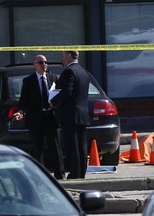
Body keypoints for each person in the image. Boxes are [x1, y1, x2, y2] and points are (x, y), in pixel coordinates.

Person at [13, 54, 65, 180]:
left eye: (45, 62)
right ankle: (40, 176)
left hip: (51, 117)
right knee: (38, 148)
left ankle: (60, 174)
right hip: (36, 119)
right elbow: (23, 102)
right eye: (41, 63)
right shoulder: (28, 81)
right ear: (34, 65)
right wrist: (20, 112)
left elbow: (59, 97)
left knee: (55, 147)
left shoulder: (53, 78)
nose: (44, 65)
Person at [50, 51, 90, 179]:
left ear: (68, 56)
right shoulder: (83, 72)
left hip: (70, 114)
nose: (62, 59)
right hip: (82, 114)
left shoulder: (69, 71)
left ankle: (74, 174)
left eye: (63, 56)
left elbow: (67, 91)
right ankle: (81, 173)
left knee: (72, 146)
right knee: (81, 146)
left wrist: (53, 101)